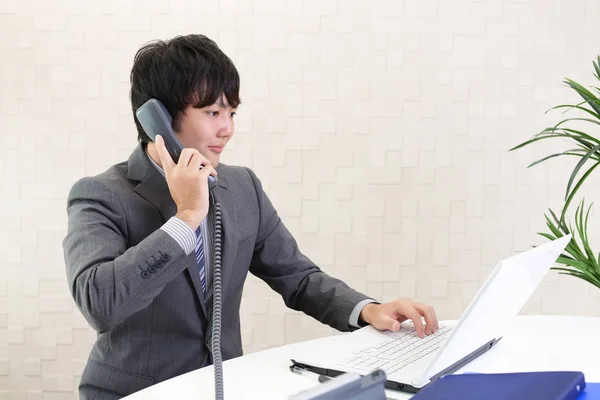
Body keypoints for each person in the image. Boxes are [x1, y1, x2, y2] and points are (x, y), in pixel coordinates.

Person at [62, 33, 439, 399]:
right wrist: (187, 216)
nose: (227, 129)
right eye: (212, 112)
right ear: (156, 119)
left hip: (223, 387)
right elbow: (101, 303)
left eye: (231, 112)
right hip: (137, 393)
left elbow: (298, 277)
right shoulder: (102, 194)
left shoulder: (241, 187)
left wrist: (368, 310)